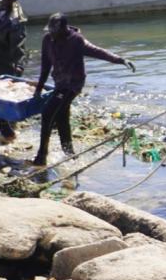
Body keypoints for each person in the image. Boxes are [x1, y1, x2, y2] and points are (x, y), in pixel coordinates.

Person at [32, 13, 135, 166]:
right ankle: (70, 155)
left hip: (73, 85)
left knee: (47, 114)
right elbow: (45, 66)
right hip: (60, 84)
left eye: (55, 33)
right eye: (50, 32)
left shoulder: (76, 40)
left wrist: (120, 60)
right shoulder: (48, 40)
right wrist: (38, 89)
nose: (52, 36)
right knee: (61, 117)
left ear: (64, 30)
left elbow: (98, 51)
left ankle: (41, 158)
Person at [0, 0, 26, 143]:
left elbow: (19, 45)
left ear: (14, 0)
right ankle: (2, 130)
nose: (5, 0)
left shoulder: (15, 19)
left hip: (4, 62)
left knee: (2, 99)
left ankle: (9, 133)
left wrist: (19, 66)